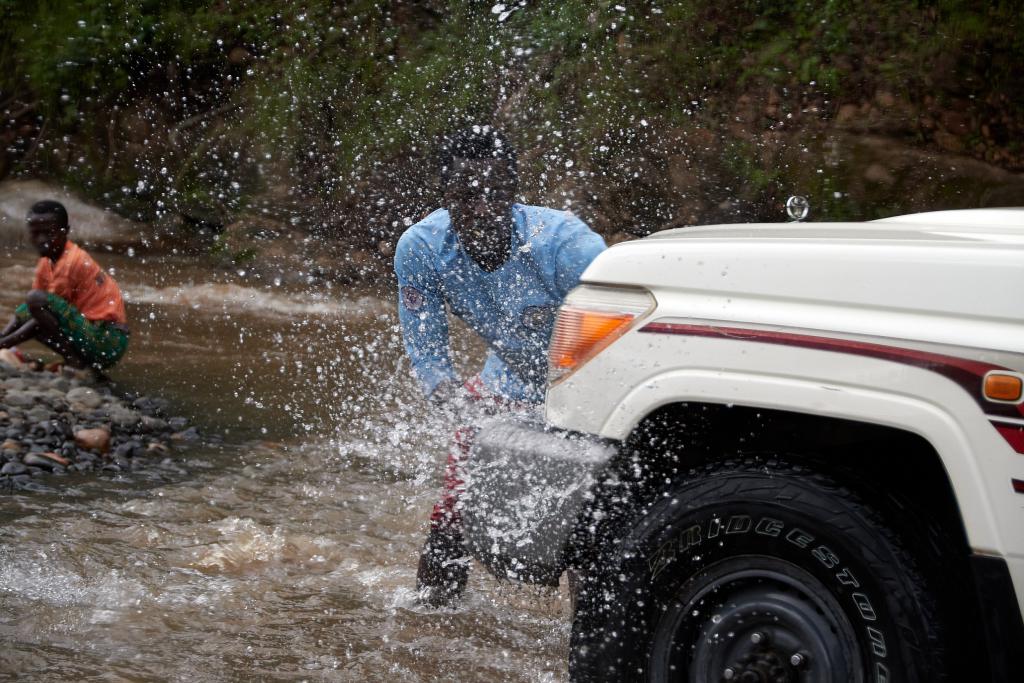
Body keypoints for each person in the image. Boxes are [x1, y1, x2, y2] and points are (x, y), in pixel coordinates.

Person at [394, 125, 606, 606]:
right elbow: (428, 354)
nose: (482, 207)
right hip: (502, 384)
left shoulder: (564, 244)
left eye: (495, 193)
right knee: (454, 516)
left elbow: (619, 328)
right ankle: (429, 627)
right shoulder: (422, 249)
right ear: (446, 196)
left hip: (582, 388)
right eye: (466, 196)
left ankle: (592, 646)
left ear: (513, 188)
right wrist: (456, 409)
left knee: (585, 529)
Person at [0, 200, 129, 370]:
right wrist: (3, 337)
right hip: (89, 332)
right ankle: (76, 361)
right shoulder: (46, 262)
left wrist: (6, 343)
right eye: (35, 233)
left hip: (107, 341)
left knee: (36, 302)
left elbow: (42, 312)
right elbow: (31, 311)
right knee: (29, 307)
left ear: (65, 232)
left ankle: (74, 360)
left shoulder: (72, 262)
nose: (41, 240)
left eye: (48, 233)